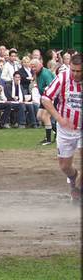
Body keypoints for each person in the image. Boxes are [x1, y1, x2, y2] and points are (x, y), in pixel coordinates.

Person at [41, 53, 82, 201]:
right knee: (65, 166)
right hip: (65, 129)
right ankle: (74, 177)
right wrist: (59, 118)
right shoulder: (63, 77)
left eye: (79, 71)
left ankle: (77, 190)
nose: (76, 74)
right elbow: (45, 98)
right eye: (73, 71)